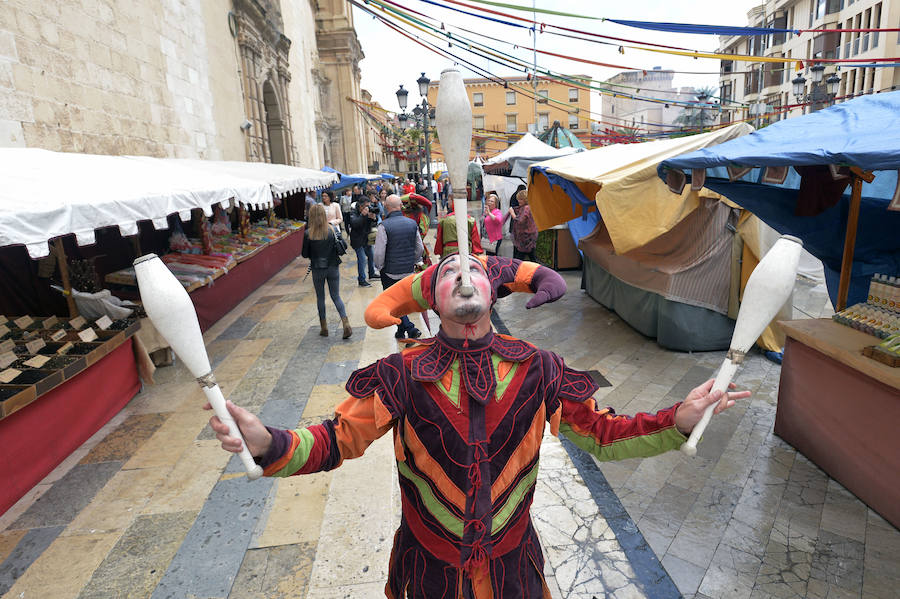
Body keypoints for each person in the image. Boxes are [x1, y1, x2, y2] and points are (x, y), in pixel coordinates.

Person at [208, 253, 749, 598]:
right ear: (432, 299)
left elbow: (601, 437)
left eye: (474, 268)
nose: (463, 274)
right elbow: (334, 439)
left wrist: (676, 419)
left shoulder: (540, 367)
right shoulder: (400, 373)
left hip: (515, 574)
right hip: (426, 575)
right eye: (447, 271)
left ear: (493, 291)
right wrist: (268, 442)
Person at [374, 195, 423, 339]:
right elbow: (419, 247)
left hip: (390, 272)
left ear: (387, 207)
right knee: (401, 302)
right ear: (400, 206)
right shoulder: (412, 223)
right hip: (408, 271)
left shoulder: (384, 226)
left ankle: (410, 328)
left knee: (393, 303)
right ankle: (401, 331)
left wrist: (380, 267)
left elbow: (378, 253)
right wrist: (413, 260)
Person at [301, 204, 352, 339]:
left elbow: (304, 254)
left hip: (318, 269)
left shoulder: (308, 234)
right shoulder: (332, 229)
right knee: (336, 296)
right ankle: (346, 323)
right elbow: (342, 246)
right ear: (324, 215)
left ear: (311, 217)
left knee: (320, 297)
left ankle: (324, 328)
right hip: (333, 267)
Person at [349, 196, 378, 287]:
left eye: (368, 206)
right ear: (361, 206)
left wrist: (374, 218)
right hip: (357, 240)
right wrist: (363, 215)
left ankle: (372, 274)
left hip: (366, 238)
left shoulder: (367, 211)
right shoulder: (353, 212)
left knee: (371, 255)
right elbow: (354, 224)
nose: (368, 208)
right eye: (366, 206)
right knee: (362, 259)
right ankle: (361, 280)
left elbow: (373, 223)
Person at [510, 189, 538, 262]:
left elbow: (520, 221)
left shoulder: (526, 208)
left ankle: (515, 270)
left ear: (525, 199)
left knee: (520, 257)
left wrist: (512, 214)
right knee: (531, 257)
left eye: (520, 199)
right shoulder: (529, 207)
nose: (518, 201)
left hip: (526, 238)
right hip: (530, 236)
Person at [482, 192, 510, 256]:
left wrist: (489, 213)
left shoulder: (497, 211)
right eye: (488, 200)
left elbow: (498, 220)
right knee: (488, 256)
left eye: (492, 201)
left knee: (492, 257)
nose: (489, 202)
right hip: (487, 238)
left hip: (495, 239)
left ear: (496, 204)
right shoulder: (486, 211)